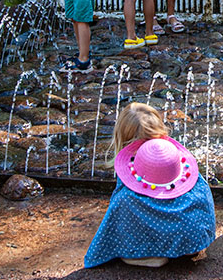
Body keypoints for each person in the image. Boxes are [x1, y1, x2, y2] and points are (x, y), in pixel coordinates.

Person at [84, 103, 215, 268]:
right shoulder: (179, 160)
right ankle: (190, 248)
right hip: (193, 239)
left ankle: (144, 255)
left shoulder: (131, 166)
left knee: (122, 201)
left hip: (163, 243)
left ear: (122, 138)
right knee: (196, 186)